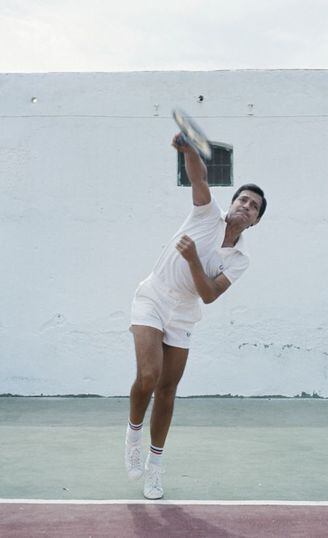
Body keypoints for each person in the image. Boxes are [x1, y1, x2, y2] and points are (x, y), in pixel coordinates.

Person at [125, 133, 267, 499]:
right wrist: (188, 149)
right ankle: (133, 435)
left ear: (254, 222)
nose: (246, 206)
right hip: (153, 296)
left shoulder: (241, 259)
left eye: (253, 207)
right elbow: (199, 177)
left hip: (185, 312)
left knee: (168, 389)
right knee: (148, 375)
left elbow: (208, 295)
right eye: (243, 199)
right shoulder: (206, 214)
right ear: (232, 202)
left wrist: (191, 260)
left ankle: (155, 467)